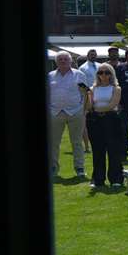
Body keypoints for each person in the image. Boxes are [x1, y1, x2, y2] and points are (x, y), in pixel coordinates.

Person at [47, 51, 91, 179]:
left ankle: (80, 168)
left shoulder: (79, 75)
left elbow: (85, 93)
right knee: (54, 143)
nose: (63, 61)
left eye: (65, 59)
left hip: (76, 112)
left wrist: (84, 111)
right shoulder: (50, 76)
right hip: (55, 113)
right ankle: (53, 169)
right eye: (60, 59)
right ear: (56, 61)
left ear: (70, 61)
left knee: (77, 142)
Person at [83, 62, 124, 192]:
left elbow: (113, 105)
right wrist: (86, 95)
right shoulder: (93, 88)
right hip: (95, 121)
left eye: (107, 72)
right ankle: (98, 179)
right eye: (100, 72)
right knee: (97, 150)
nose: (103, 75)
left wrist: (97, 109)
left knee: (113, 149)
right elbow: (89, 107)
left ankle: (116, 178)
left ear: (111, 74)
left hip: (111, 119)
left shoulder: (116, 88)